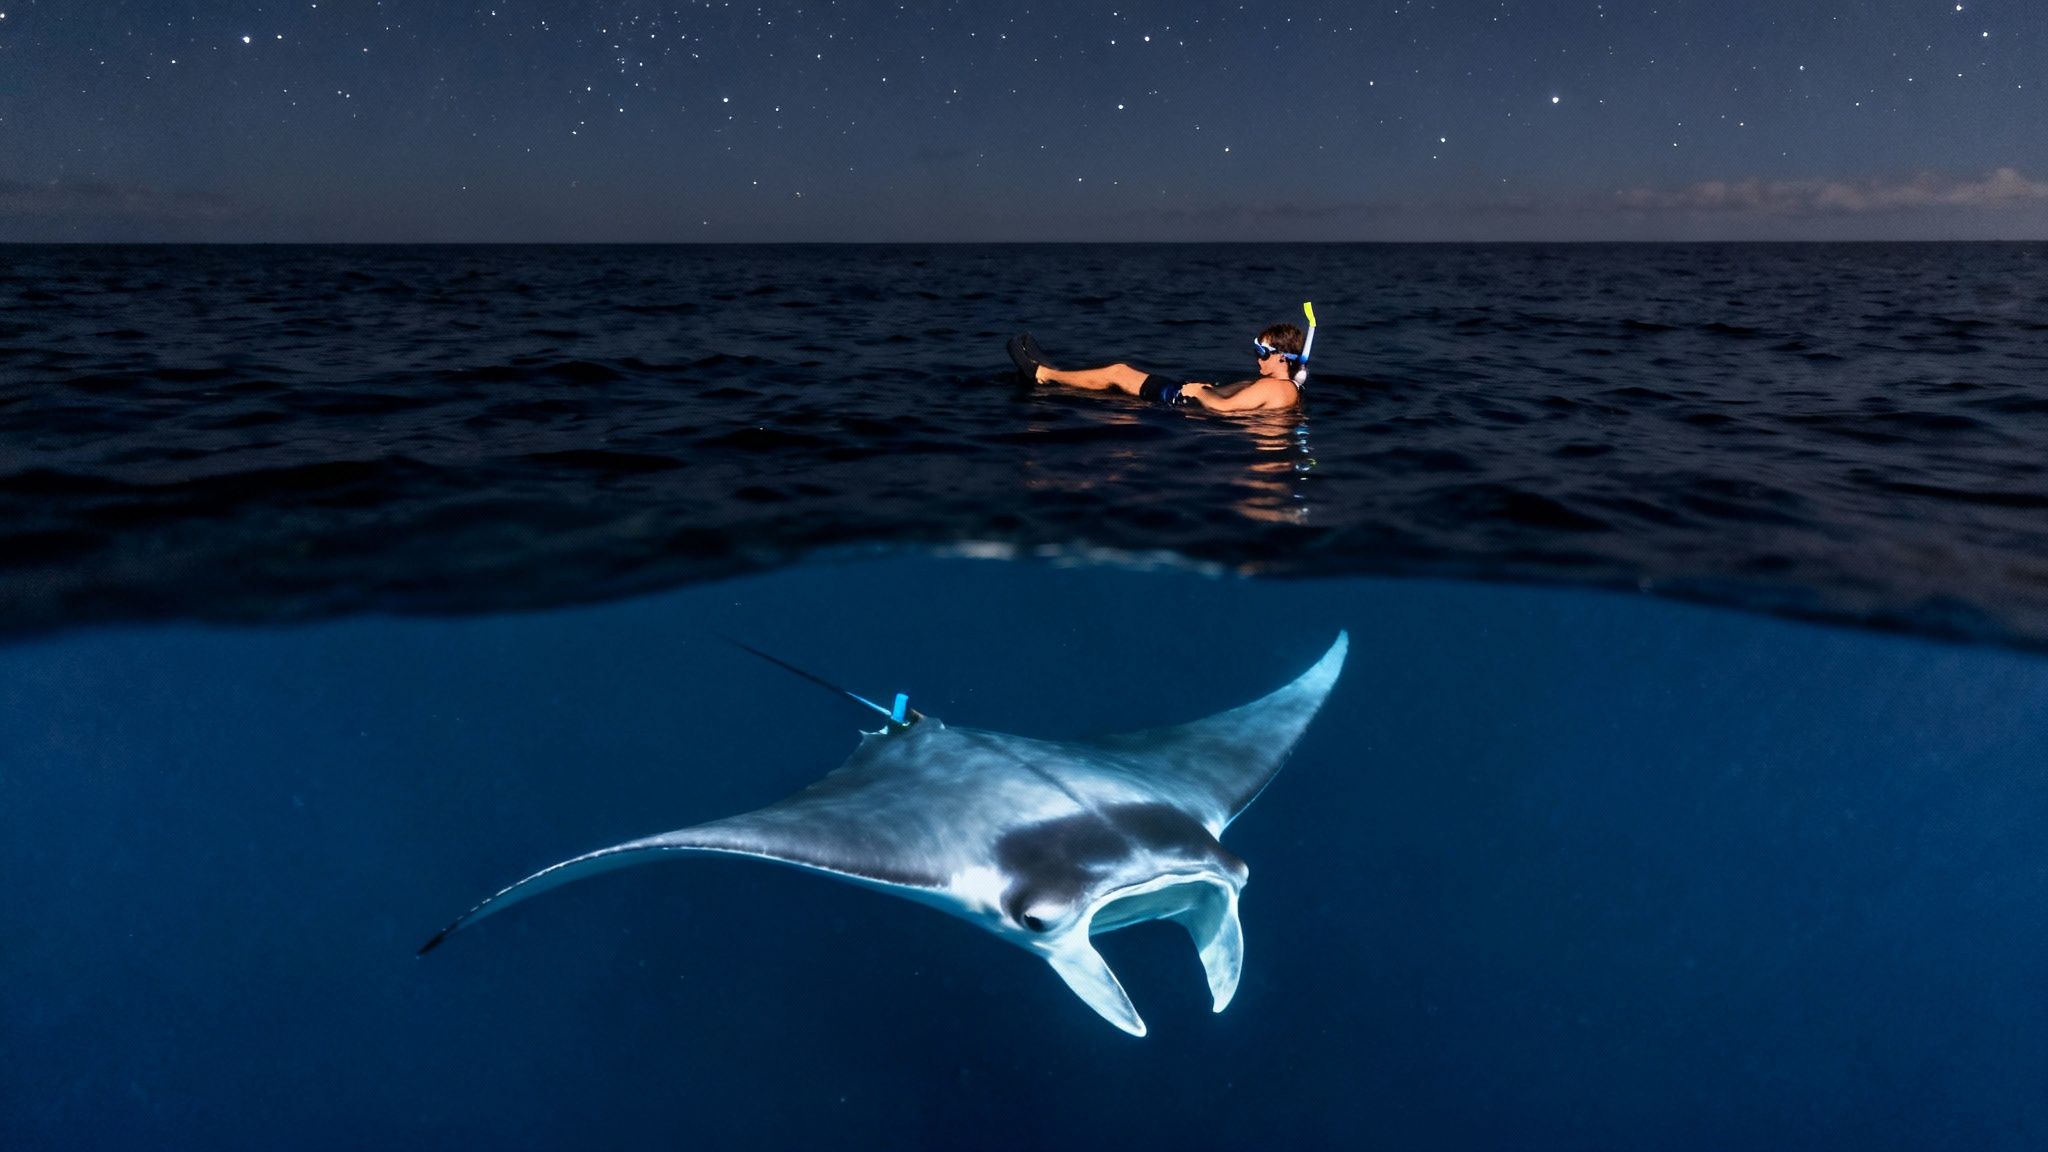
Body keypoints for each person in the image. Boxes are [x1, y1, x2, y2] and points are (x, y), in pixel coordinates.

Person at [1007, 324, 1307, 413]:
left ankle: (1043, 374)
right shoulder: (1288, 388)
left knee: (1118, 372)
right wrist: (1211, 388)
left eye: (1261, 352)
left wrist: (1202, 392)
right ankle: (1057, 375)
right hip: (1186, 402)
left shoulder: (1274, 386)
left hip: (1179, 401)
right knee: (1114, 398)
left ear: (1282, 357)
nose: (1257, 359)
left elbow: (1225, 409)